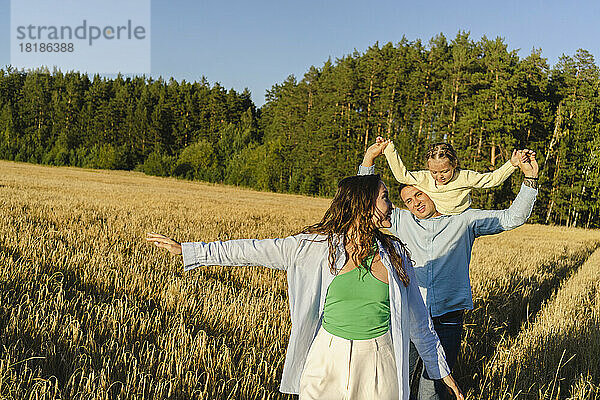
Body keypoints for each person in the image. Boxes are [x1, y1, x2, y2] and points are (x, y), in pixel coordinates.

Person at [145, 174, 464, 400]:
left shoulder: (396, 256)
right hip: (327, 358)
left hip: (380, 362)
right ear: (363, 204)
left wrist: (442, 373)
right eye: (385, 197)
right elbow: (250, 249)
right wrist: (190, 251)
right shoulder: (311, 247)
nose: (393, 205)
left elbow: (420, 322)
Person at [359, 141, 539, 400]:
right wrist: (369, 159)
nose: (414, 203)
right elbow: (365, 205)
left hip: (448, 319)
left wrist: (530, 179)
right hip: (408, 315)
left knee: (432, 390)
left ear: (431, 192)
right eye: (407, 201)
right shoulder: (401, 221)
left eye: (418, 195)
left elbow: (513, 217)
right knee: (399, 383)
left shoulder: (465, 221)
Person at [376, 136, 534, 215]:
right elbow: (402, 176)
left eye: (445, 171)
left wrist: (512, 164)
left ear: (454, 164)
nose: (439, 177)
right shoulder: (424, 178)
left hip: (462, 217)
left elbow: (491, 180)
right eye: (434, 172)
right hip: (437, 218)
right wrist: (389, 149)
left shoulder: (464, 177)